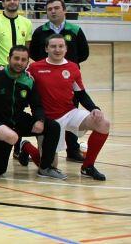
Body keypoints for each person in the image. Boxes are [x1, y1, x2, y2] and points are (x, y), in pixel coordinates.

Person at [29, 35, 110, 181]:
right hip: (48, 121)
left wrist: (94, 108)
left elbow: (81, 94)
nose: (57, 49)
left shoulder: (72, 67)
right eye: (53, 46)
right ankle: (26, 147)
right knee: (48, 164)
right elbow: (18, 78)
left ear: (66, 49)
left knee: (103, 123)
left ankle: (88, 166)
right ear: (46, 48)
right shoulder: (35, 68)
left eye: (61, 46)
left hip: (69, 113)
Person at [0, 45, 65, 179]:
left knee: (52, 126)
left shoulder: (28, 81)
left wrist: (40, 120)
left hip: (18, 121)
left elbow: (37, 105)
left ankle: (45, 168)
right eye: (16, 58)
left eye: (23, 60)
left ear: (27, 62)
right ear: (8, 59)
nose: (19, 62)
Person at [29, 0, 91, 161]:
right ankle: (41, 150)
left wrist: (68, 66)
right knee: (45, 118)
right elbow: (34, 54)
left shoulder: (75, 30)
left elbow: (84, 53)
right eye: (49, 9)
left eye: (56, 8)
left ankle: (72, 150)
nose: (53, 11)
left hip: (68, 82)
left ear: (64, 10)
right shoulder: (40, 32)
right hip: (46, 83)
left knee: (70, 114)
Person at [0, 0, 32, 67]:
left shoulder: (27, 22)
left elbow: (27, 47)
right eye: (8, 0)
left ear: (19, 2)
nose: (12, 2)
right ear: (3, 4)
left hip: (20, 68)